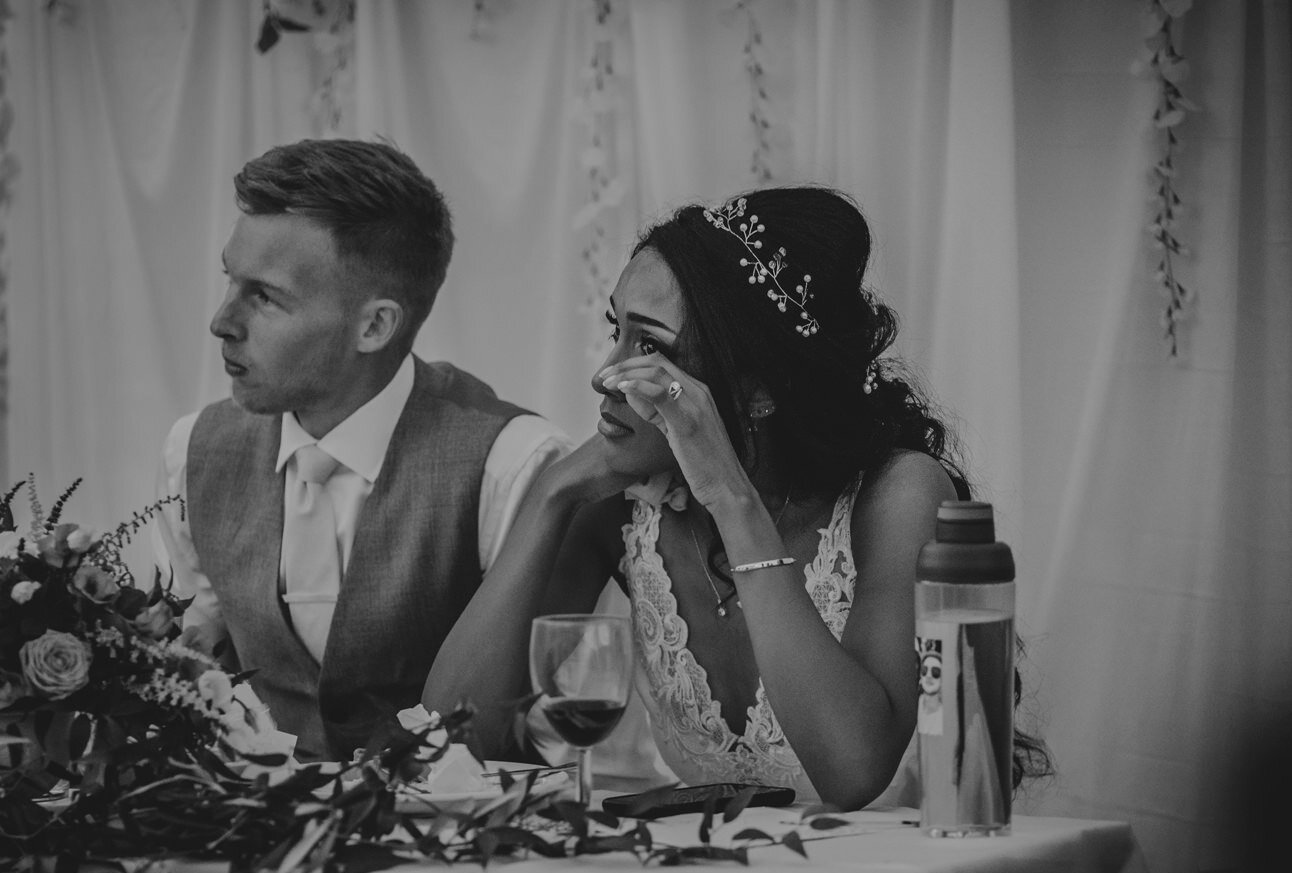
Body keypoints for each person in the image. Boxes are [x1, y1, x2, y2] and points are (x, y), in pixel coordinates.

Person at [424, 185, 1046, 810]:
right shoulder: (618, 506)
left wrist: (727, 495)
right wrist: (552, 492)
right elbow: (448, 738)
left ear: (758, 390)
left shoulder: (898, 496)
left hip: (895, 866)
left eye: (650, 347)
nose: (604, 375)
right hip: (709, 870)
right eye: (617, 331)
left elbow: (853, 772)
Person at [154, 138, 570, 763]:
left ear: (374, 326)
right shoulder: (193, 452)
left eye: (264, 296)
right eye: (230, 280)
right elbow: (191, 671)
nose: (222, 321)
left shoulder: (514, 466)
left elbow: (555, 728)